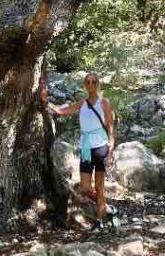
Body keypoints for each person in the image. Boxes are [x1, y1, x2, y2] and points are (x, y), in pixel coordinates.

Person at [43, 72, 116, 227]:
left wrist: (111, 148)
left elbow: (110, 126)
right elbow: (63, 111)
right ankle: (105, 206)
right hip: (86, 147)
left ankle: (101, 219)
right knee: (85, 187)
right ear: (85, 85)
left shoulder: (104, 102)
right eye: (88, 82)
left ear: (98, 84)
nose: (91, 84)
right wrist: (45, 102)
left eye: (94, 82)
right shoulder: (82, 103)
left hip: (101, 146)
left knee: (99, 185)